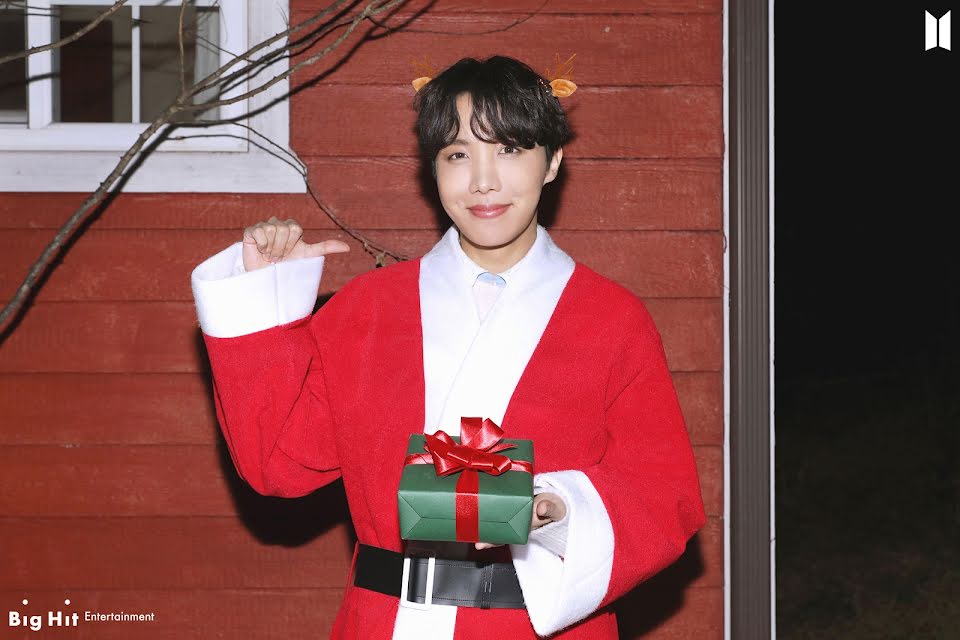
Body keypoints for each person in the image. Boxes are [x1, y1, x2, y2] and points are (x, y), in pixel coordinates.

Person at [190, 55, 706, 640]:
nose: (483, 181)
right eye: (458, 155)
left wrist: (560, 510)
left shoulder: (612, 319)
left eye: (509, 149)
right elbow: (277, 466)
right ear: (431, 168)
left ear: (553, 161)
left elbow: (661, 491)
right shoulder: (367, 309)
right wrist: (263, 300)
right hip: (383, 621)